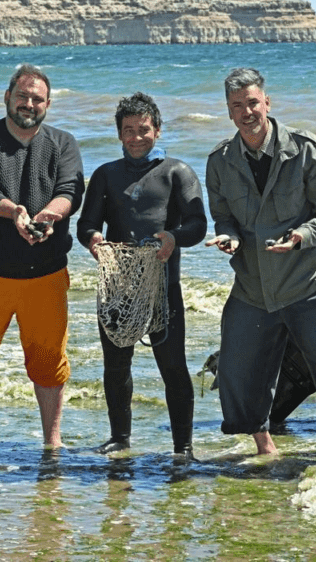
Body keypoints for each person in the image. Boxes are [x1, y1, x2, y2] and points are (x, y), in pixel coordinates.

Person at [204, 67, 316, 464]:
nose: (247, 112)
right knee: (237, 368)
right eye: (237, 106)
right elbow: (224, 217)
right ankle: (265, 446)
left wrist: (300, 236)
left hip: (309, 279)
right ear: (229, 113)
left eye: (252, 103)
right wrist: (227, 237)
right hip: (253, 285)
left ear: (267, 102)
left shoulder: (305, 147)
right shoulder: (219, 161)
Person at [0, 63, 84, 452]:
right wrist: (14, 212)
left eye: (37, 99)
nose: (29, 104)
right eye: (22, 96)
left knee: (49, 364)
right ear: (7, 97)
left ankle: (52, 442)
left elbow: (70, 189)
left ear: (48, 104)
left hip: (46, 275)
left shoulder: (63, 143)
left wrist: (49, 215)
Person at [77, 92, 207, 457]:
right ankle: (120, 437)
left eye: (144, 129)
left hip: (164, 287)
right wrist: (94, 240)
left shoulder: (176, 172)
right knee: (116, 367)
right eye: (128, 130)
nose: (136, 137)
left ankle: (183, 447)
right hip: (118, 288)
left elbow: (198, 224)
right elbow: (85, 225)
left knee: (173, 367)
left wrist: (173, 237)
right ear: (119, 134)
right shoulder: (105, 175)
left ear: (158, 130)